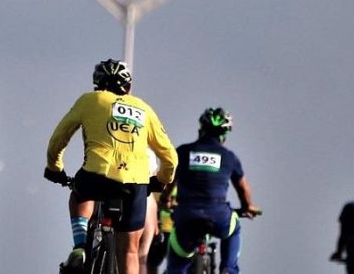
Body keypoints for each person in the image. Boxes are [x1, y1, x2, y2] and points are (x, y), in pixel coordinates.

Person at [44, 59, 178, 274]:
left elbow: (59, 138)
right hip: (135, 183)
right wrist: (161, 181)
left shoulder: (89, 100)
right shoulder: (144, 109)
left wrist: (54, 168)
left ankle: (79, 247)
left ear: (97, 84)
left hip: (97, 174)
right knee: (130, 252)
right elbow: (170, 157)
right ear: (128, 87)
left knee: (80, 194)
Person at [160, 107, 260, 274]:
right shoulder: (229, 156)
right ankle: (228, 268)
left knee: (176, 264)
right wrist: (247, 206)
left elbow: (170, 182)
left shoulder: (183, 152)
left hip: (187, 215)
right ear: (223, 136)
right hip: (218, 216)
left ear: (201, 130)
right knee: (234, 228)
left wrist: (165, 200)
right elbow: (243, 188)